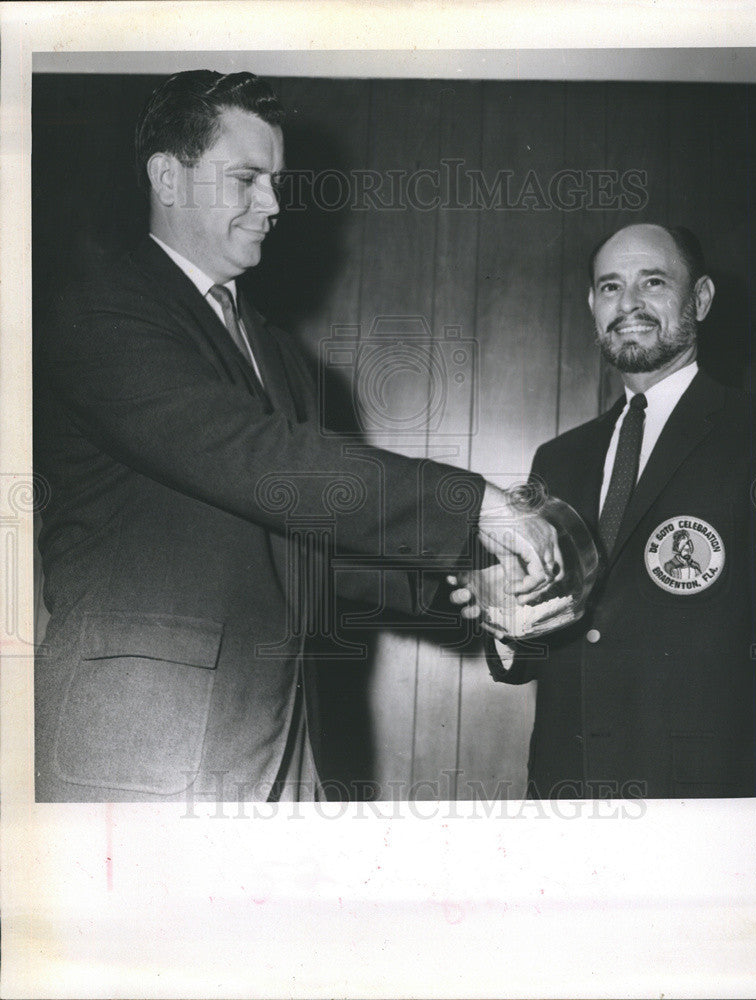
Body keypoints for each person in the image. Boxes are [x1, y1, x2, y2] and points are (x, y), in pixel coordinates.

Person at [33, 70, 560, 803]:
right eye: (246, 178)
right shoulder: (99, 309)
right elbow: (264, 461)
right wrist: (474, 503)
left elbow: (304, 553)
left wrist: (465, 587)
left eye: (276, 182)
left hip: (278, 741)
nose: (274, 205)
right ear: (168, 177)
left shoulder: (272, 350)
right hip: (142, 745)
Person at [452, 222, 756, 799]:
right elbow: (538, 643)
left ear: (699, 299)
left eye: (652, 282)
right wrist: (505, 620)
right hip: (567, 796)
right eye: (609, 287)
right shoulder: (559, 458)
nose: (627, 303)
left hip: (704, 805)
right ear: (591, 305)